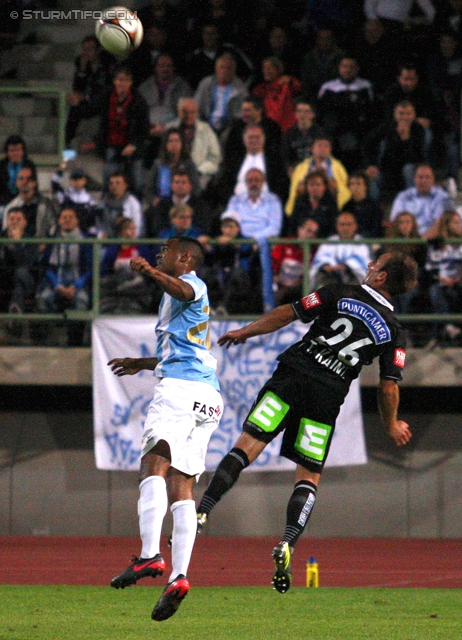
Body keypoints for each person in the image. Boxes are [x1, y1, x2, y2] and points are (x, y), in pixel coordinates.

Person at [196, 250, 417, 593]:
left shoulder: (338, 292)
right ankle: (288, 543)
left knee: (249, 443)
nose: (370, 265)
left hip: (293, 376)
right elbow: (389, 387)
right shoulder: (394, 332)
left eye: (376, 263)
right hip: (327, 397)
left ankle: (204, 510)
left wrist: (248, 331)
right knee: (309, 474)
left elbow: (289, 312)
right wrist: (391, 424)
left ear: (382, 276)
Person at [108, 236, 223, 622]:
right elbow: (182, 348)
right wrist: (142, 362)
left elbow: (183, 288)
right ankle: (178, 577)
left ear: (184, 257)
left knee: (152, 464)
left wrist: (152, 271)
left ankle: (148, 555)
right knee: (182, 485)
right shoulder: (180, 296)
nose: (159, 255)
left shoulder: (191, 283)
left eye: (165, 251)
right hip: (208, 397)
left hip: (180, 390)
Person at [36, 207, 92, 346]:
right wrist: (57, 285)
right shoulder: (53, 240)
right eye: (64, 217)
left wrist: (76, 286)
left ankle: (75, 341)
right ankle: (49, 341)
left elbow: (90, 268)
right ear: (59, 221)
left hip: (77, 283)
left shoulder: (85, 241)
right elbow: (48, 267)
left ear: (77, 221)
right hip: (56, 282)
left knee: (81, 301)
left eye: (70, 217)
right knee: (43, 299)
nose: (67, 220)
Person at [317, 56, 375, 171]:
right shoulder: (328, 87)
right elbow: (321, 114)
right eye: (344, 66)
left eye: (351, 67)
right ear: (339, 68)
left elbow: (371, 113)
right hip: (335, 135)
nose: (347, 70)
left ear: (357, 69)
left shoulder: (366, 86)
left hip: (359, 134)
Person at [138, 54, 193, 167]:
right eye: (162, 65)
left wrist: (166, 128)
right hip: (149, 129)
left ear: (173, 68)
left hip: (174, 130)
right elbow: (138, 113)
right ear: (156, 68)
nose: (165, 69)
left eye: (168, 66)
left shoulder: (183, 87)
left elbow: (187, 116)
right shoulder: (145, 87)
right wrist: (148, 127)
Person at [285, 136, 350, 217]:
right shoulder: (301, 167)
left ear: (330, 149)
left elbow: (343, 187)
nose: (323, 148)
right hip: (306, 204)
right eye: (320, 145)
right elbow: (296, 188)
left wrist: (325, 177)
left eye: (326, 146)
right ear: (312, 149)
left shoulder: (338, 166)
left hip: (330, 204)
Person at [100, 216, 154, 315]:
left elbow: (149, 269)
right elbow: (105, 269)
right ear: (122, 231)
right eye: (130, 228)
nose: (133, 231)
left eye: (134, 228)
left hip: (137, 287)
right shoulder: (113, 249)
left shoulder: (142, 248)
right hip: (117, 286)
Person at [167, 97, 222, 190]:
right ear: (179, 112)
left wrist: (198, 170)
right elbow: (163, 154)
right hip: (173, 172)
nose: (188, 115)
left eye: (192, 112)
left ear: (197, 113)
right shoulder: (170, 128)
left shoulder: (206, 130)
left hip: (200, 173)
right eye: (185, 112)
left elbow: (215, 158)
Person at [425, 210, 462, 343]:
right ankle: (448, 328)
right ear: (447, 225)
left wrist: (458, 279)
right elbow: (430, 269)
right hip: (441, 283)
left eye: (460, 222)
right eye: (456, 222)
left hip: (459, 282)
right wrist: (442, 279)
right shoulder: (436, 244)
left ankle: (438, 336)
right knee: (435, 291)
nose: (460, 225)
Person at [309, 211, 372, 290]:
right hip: (331, 278)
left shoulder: (361, 243)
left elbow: (363, 265)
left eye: (349, 224)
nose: (345, 228)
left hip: (353, 279)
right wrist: (325, 266)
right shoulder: (329, 242)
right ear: (337, 226)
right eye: (342, 225)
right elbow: (320, 260)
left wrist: (348, 266)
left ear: (355, 226)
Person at [389, 164, 454, 238]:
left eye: (427, 177)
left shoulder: (442, 196)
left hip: (433, 241)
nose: (424, 180)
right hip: (407, 240)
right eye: (420, 177)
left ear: (433, 180)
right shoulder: (403, 197)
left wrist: (421, 242)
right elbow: (395, 221)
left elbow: (439, 225)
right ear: (414, 179)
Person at [194, 53, 247, 135]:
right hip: (206, 124)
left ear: (234, 70)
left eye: (228, 68)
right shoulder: (206, 83)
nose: (225, 70)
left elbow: (241, 114)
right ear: (216, 69)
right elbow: (196, 106)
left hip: (229, 128)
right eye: (222, 67)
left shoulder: (240, 88)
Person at [145, 128, 200, 203]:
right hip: (161, 204)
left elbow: (196, 188)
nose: (174, 144)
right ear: (165, 144)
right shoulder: (158, 164)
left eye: (177, 141)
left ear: (182, 144)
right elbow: (149, 188)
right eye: (170, 141)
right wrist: (154, 199)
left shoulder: (188, 164)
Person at [3, 166, 57, 238]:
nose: (25, 182)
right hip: (17, 247)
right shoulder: (11, 206)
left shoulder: (45, 204)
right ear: (16, 183)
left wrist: (46, 243)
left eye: (29, 179)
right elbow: (6, 229)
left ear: (35, 183)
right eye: (21, 178)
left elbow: (53, 227)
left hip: (43, 245)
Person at [252, 56, 301, 132]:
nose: (266, 71)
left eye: (269, 68)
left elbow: (297, 88)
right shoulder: (261, 89)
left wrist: (290, 80)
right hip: (270, 130)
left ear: (278, 70)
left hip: (288, 129)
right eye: (264, 69)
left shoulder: (286, 84)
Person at [289, 169, 339, 237]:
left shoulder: (331, 203)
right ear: (307, 187)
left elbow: (333, 226)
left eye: (318, 185)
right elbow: (293, 223)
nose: (315, 188)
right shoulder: (300, 202)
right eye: (312, 185)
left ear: (324, 187)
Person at [51, 165, 98, 236]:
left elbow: (92, 220)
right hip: (66, 232)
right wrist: (61, 169)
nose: (77, 181)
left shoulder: (90, 199)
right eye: (74, 179)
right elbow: (54, 184)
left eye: (79, 179)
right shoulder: (64, 195)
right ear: (70, 180)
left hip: (83, 234)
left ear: (85, 180)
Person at [281, 100, 324, 176]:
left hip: (316, 170)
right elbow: (286, 157)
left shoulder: (320, 133)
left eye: (306, 112)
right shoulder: (288, 134)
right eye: (299, 111)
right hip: (296, 171)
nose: (302, 115)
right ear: (295, 114)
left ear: (312, 114)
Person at [97, 171, 144, 238]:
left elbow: (138, 226)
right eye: (111, 183)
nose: (114, 186)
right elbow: (99, 225)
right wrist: (101, 235)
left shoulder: (132, 202)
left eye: (118, 183)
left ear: (125, 185)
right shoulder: (103, 203)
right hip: (107, 243)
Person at [0, 135, 36, 208]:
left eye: (18, 150)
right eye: (12, 150)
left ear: (23, 151)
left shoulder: (29, 165)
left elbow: (34, 186)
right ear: (7, 152)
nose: (15, 153)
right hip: (3, 202)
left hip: (25, 201)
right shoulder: (2, 165)